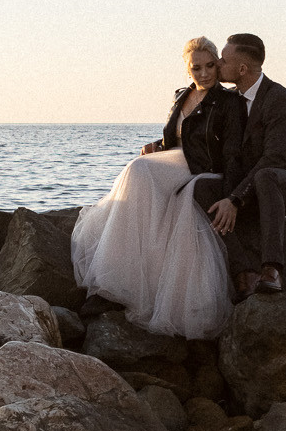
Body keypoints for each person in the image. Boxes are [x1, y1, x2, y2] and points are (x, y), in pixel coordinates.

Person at [69, 38, 242, 339]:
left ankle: (117, 285)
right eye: (196, 68)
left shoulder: (229, 102)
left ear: (218, 64)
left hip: (203, 168)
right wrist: (158, 146)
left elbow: (231, 153)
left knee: (139, 171)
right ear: (187, 69)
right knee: (138, 171)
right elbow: (178, 136)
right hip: (176, 160)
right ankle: (112, 285)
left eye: (210, 66)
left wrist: (231, 196)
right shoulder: (181, 95)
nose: (204, 74)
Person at [197, 33, 286, 295]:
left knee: (267, 175)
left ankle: (272, 269)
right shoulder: (229, 100)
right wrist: (161, 145)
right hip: (246, 185)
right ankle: (244, 271)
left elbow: (275, 157)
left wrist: (235, 199)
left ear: (242, 69)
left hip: (284, 183)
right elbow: (200, 134)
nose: (218, 63)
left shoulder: (278, 97)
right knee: (200, 187)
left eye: (223, 60)